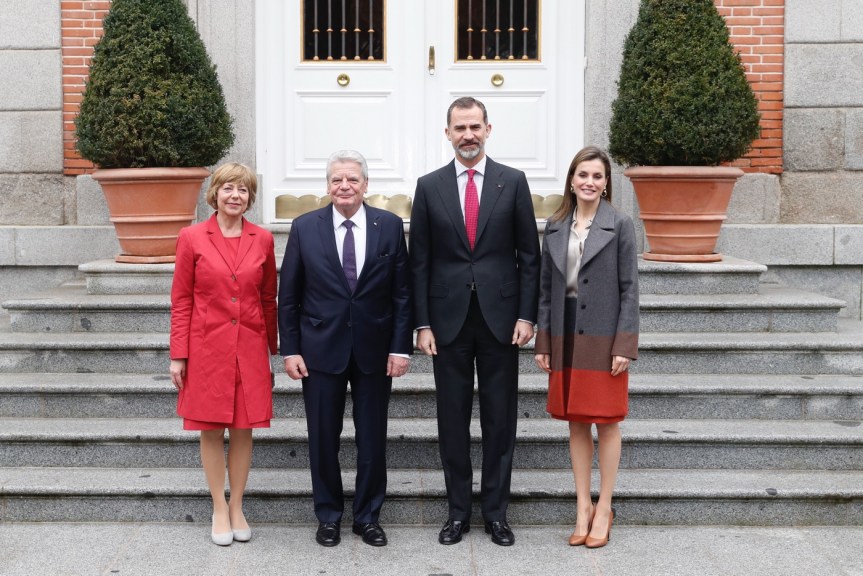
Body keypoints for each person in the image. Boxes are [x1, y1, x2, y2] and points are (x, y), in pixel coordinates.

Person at [410, 96, 540, 547]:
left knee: (500, 421)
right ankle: (458, 514)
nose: (468, 135)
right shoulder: (429, 187)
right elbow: (419, 262)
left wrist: (527, 315)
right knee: (452, 421)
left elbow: (530, 256)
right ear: (447, 133)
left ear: (488, 130)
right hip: (447, 323)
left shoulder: (513, 182)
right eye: (459, 128)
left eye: (475, 127)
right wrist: (421, 323)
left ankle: (496, 514)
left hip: (502, 320)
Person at [278, 149, 412, 548]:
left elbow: (402, 293)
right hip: (319, 349)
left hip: (375, 349)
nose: (344, 186)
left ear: (366, 185)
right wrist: (291, 349)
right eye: (337, 179)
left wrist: (401, 348)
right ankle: (329, 516)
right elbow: (289, 296)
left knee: (372, 438)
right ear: (327, 186)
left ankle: (368, 516)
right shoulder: (304, 227)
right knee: (323, 438)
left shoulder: (388, 226)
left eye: (352, 179)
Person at [533, 146, 639, 549]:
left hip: (604, 333)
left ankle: (606, 506)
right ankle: (582, 506)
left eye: (597, 175)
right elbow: (545, 290)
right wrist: (543, 341)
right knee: (576, 420)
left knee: (607, 419)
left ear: (606, 182)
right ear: (571, 181)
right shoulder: (556, 226)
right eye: (583, 175)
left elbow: (630, 290)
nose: (589, 182)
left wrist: (624, 345)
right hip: (564, 330)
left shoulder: (621, 225)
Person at [169, 162, 278, 546]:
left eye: (244, 190)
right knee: (212, 429)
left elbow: (268, 297)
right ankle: (218, 506)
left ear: (250, 198)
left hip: (249, 347)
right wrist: (178, 353)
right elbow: (181, 299)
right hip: (205, 349)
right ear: (214, 193)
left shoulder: (263, 239)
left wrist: (275, 349)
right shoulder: (192, 237)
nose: (236, 196)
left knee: (244, 429)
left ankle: (237, 506)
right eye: (229, 188)